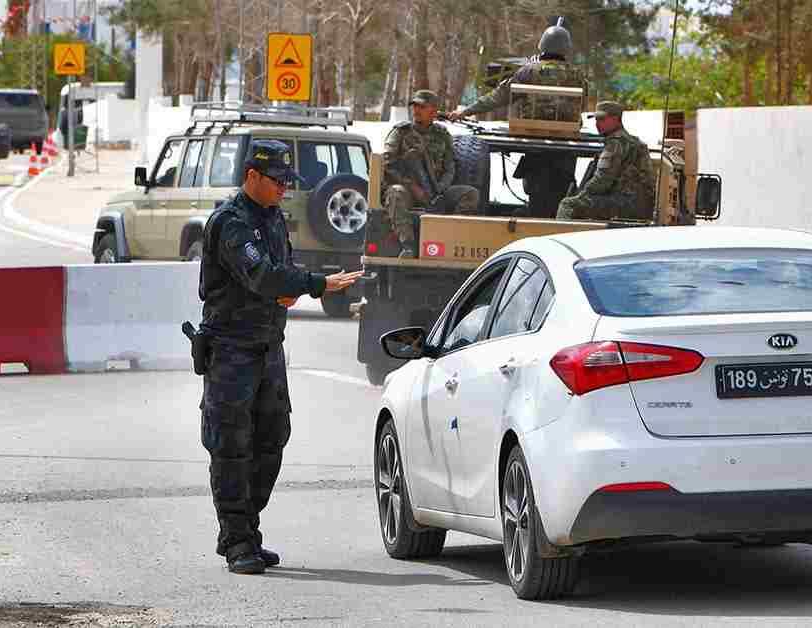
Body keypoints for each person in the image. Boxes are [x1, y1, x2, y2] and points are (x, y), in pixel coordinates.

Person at [198, 139, 361, 574]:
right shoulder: (230, 222)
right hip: (232, 347)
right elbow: (260, 273)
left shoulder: (271, 219)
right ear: (252, 176)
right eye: (277, 182)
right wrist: (315, 284)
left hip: (268, 345)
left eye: (288, 184)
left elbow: (274, 279)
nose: (284, 191)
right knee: (231, 445)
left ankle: (245, 529)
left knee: (271, 440)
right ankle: (236, 540)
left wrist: (286, 291)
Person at [448, 18, 588, 218]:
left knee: (538, 180)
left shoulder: (527, 70)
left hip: (530, 135)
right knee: (560, 184)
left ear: (542, 46)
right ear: (566, 49)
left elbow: (498, 97)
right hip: (566, 140)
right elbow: (582, 105)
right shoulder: (578, 75)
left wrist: (465, 111)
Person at [384, 90, 481, 258]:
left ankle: (451, 240)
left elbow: (451, 166)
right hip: (409, 188)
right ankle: (408, 246)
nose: (416, 110)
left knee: (470, 194)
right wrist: (412, 186)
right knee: (395, 193)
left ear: (433, 111)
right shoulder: (400, 132)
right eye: (414, 106)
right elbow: (387, 164)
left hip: (436, 188)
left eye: (422, 106)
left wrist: (441, 188)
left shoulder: (442, 135)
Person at [556, 101, 656, 221]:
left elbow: (602, 180)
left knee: (568, 205)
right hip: (639, 205)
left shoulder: (616, 142)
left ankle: (560, 238)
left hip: (626, 203)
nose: (597, 123)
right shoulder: (632, 141)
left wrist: (581, 195)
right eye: (596, 119)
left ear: (616, 119)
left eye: (602, 119)